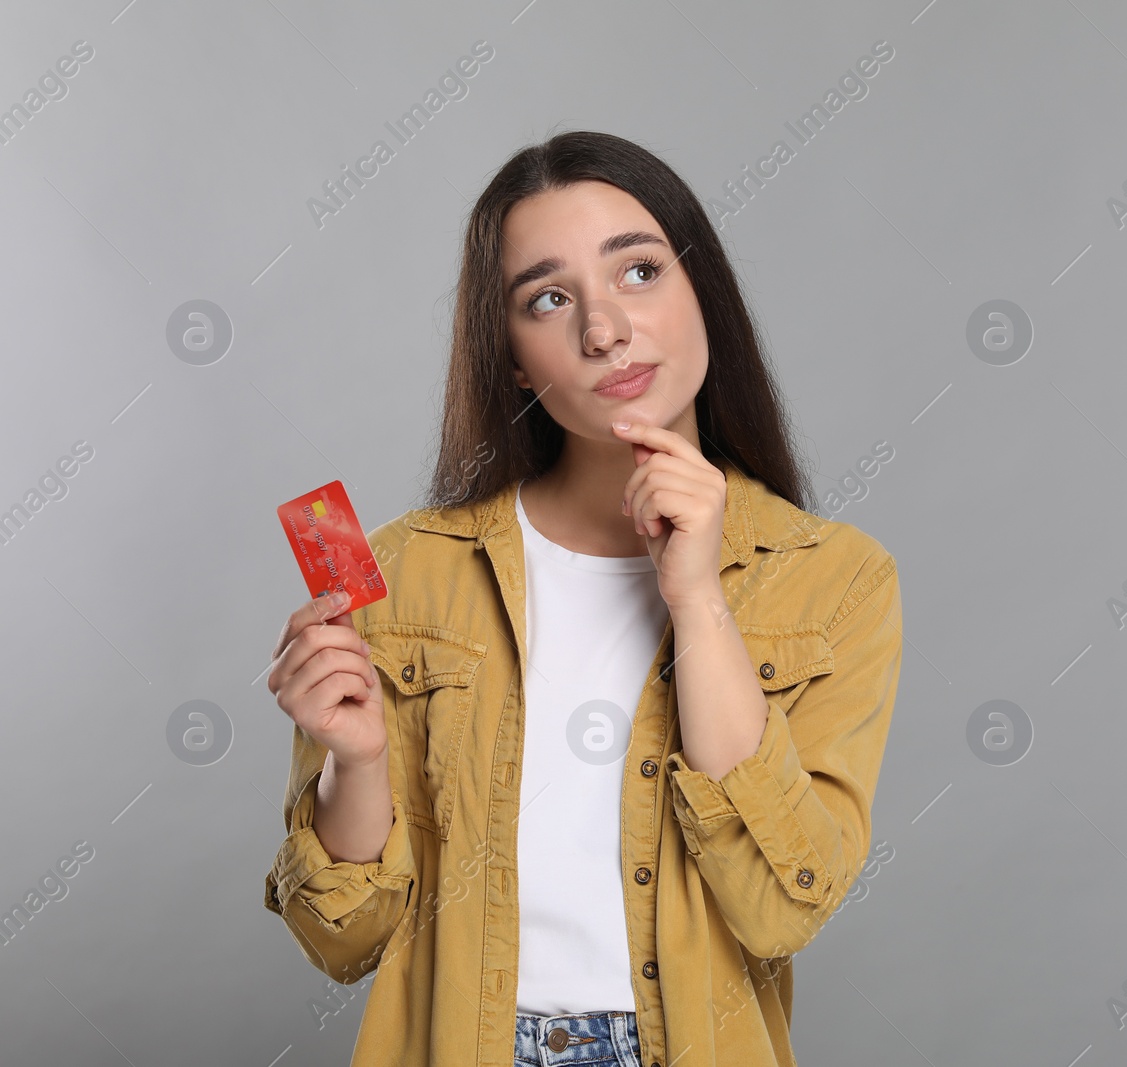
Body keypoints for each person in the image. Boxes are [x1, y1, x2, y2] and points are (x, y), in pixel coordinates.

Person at [263, 130, 904, 1067]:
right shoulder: (403, 572)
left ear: (704, 296)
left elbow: (779, 906)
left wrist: (698, 601)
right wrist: (352, 763)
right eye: (549, 299)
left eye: (639, 271)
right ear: (516, 359)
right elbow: (343, 941)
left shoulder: (833, 576)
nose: (603, 330)